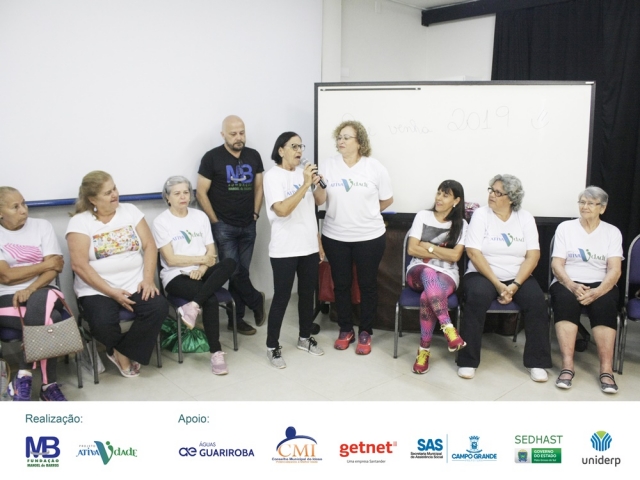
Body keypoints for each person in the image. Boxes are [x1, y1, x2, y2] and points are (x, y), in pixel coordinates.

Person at [66, 171, 168, 378]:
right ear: (92, 199)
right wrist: (112, 292)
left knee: (158, 307)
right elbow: (79, 265)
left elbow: (150, 245)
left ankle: (122, 351)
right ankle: (121, 352)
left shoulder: (130, 211)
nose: (115, 194)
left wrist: (148, 280)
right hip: (97, 289)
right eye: (107, 193)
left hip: (135, 283)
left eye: (114, 188)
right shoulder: (80, 222)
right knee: (102, 322)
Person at [457, 174, 551, 381]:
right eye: (491, 190)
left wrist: (515, 284)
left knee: (537, 301)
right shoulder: (481, 215)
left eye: (498, 192)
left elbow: (533, 256)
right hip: (483, 273)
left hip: (518, 275)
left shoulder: (525, 218)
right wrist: (497, 284)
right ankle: (467, 360)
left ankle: (537, 362)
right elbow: (473, 252)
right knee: (476, 297)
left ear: (511, 198)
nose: (491, 195)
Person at [321, 120, 393, 354]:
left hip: (369, 237)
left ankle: (365, 331)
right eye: (339, 137)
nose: (341, 141)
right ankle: (345, 329)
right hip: (335, 236)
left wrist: (367, 214)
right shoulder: (328, 165)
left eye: (346, 137)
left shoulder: (374, 167)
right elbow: (319, 199)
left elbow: (387, 199)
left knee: (367, 285)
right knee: (341, 285)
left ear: (359, 142)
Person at [152, 176, 236, 375]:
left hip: (202, 271)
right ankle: (216, 353)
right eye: (177, 193)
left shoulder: (200, 217)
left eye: (186, 192)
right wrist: (200, 260)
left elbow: (211, 253)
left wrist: (202, 269)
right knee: (211, 299)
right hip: (176, 275)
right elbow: (171, 259)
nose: (183, 197)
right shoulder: (161, 222)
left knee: (230, 263)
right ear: (167, 197)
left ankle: (193, 305)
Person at [196, 115, 265, 335]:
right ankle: (256, 300)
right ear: (223, 134)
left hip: (248, 224)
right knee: (233, 272)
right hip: (224, 225)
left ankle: (236, 320)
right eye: (233, 134)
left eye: (241, 133)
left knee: (241, 272)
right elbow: (201, 192)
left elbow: (259, 187)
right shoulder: (212, 158)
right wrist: (215, 221)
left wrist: (256, 213)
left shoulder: (253, 156)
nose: (238, 137)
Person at [263, 132, 327, 368]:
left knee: (307, 295)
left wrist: (317, 183)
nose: (299, 150)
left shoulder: (304, 174)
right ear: (281, 150)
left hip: (308, 246)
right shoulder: (272, 176)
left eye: (301, 146)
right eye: (294, 146)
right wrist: (305, 184)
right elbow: (282, 210)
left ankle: (304, 337)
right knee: (281, 298)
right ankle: (272, 346)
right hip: (284, 249)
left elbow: (319, 202)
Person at [550, 186, 622, 393]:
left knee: (605, 304)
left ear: (602, 208)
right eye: (582, 202)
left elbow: (615, 270)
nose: (585, 207)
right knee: (564, 301)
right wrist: (571, 285)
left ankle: (606, 370)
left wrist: (597, 291)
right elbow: (557, 264)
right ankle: (567, 366)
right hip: (568, 281)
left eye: (591, 203)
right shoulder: (565, 228)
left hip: (601, 283)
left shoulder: (612, 232)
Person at [0, 187, 67, 401]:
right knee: (51, 319)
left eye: (24, 203)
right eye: (15, 207)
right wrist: (44, 265)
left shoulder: (42, 226)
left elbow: (56, 268)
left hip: (43, 291)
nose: (23, 210)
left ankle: (23, 375)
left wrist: (30, 288)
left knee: (41, 299)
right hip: (7, 299)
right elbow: (6, 276)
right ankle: (48, 386)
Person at [406, 180, 468, 374]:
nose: (439, 198)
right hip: (418, 270)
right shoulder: (423, 216)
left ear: (456, 201)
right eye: (439, 193)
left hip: (447, 274)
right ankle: (448, 327)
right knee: (428, 271)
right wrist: (442, 253)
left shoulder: (461, 224)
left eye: (445, 195)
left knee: (428, 296)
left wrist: (428, 247)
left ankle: (423, 351)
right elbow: (412, 249)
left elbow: (455, 256)